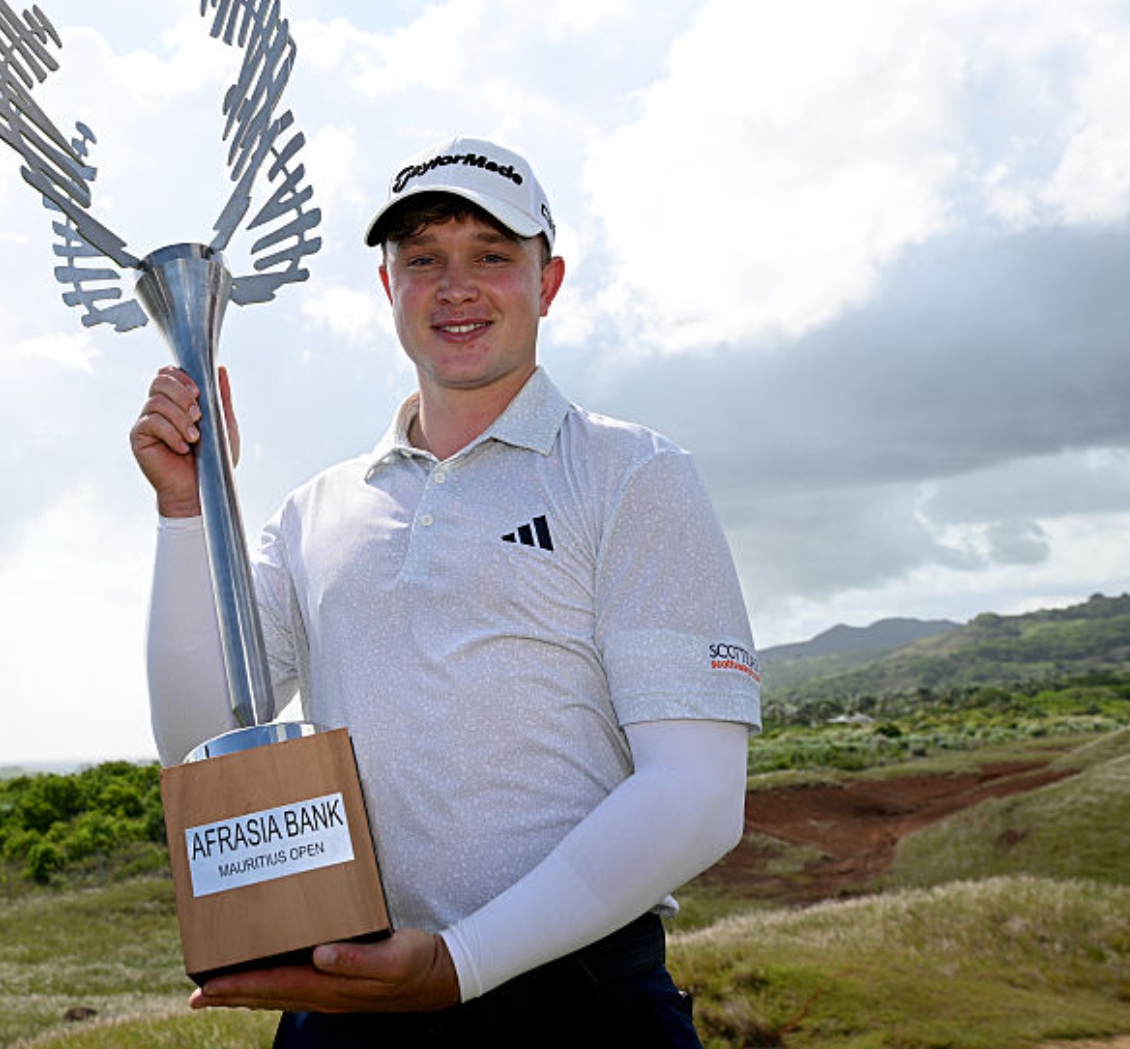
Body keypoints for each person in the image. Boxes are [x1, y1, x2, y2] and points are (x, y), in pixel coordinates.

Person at [131, 136, 760, 1045]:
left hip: (579, 1006)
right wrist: (190, 515)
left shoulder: (633, 474)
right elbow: (198, 741)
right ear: (390, 289)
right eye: (422, 258)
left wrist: (457, 964)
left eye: (491, 256)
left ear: (547, 283)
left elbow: (698, 796)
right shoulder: (317, 511)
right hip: (352, 1001)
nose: (454, 285)